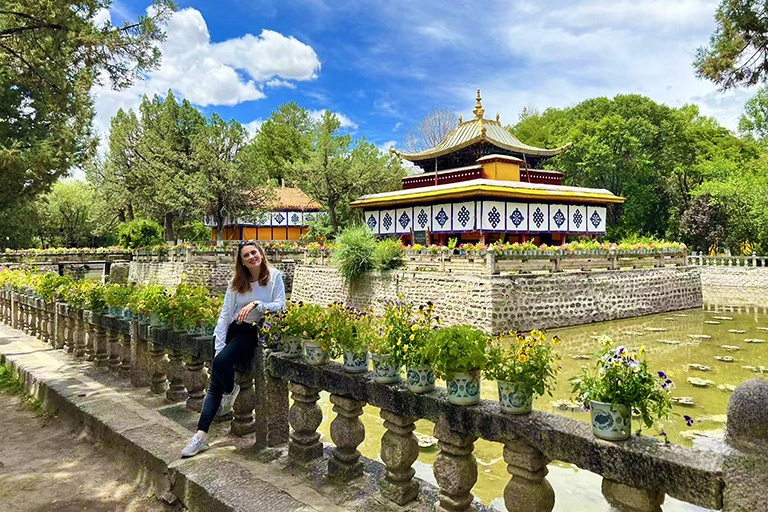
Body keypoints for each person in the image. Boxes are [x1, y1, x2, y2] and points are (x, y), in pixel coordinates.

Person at [181, 241, 286, 457]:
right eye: (246, 255)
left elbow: (281, 305)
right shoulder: (236, 282)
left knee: (219, 365)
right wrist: (219, 345)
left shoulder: (274, 277)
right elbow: (225, 315)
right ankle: (200, 436)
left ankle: (230, 392)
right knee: (214, 383)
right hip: (232, 330)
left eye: (254, 252)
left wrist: (256, 304)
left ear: (261, 254)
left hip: (251, 332)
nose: (251, 257)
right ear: (242, 261)